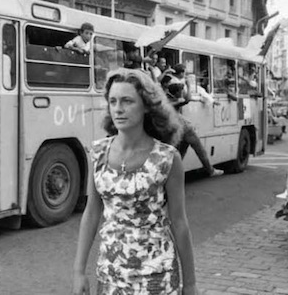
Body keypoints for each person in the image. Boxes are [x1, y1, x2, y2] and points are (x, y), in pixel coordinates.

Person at [72, 68, 200, 295]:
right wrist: (79, 271)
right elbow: (92, 213)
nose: (118, 109)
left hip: (156, 276)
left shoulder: (167, 158)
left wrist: (190, 285)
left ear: (147, 106)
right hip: (110, 275)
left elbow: (179, 222)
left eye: (127, 101)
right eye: (112, 101)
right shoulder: (98, 153)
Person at [162, 64, 223, 178]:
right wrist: (189, 86)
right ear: (176, 93)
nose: (182, 93)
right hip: (183, 127)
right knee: (198, 148)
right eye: (181, 92)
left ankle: (173, 171)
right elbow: (187, 99)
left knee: (180, 151)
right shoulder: (175, 101)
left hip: (175, 128)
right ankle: (210, 170)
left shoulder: (166, 98)